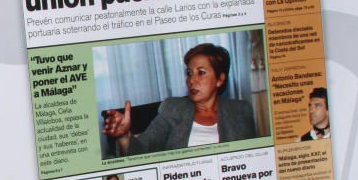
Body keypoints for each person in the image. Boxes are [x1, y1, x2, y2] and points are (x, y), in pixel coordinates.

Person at [103, 43, 257, 155]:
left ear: (220, 79)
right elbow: (142, 150)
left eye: (201, 72)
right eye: (189, 73)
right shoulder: (173, 108)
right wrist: (124, 137)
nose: (191, 80)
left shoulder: (240, 110)